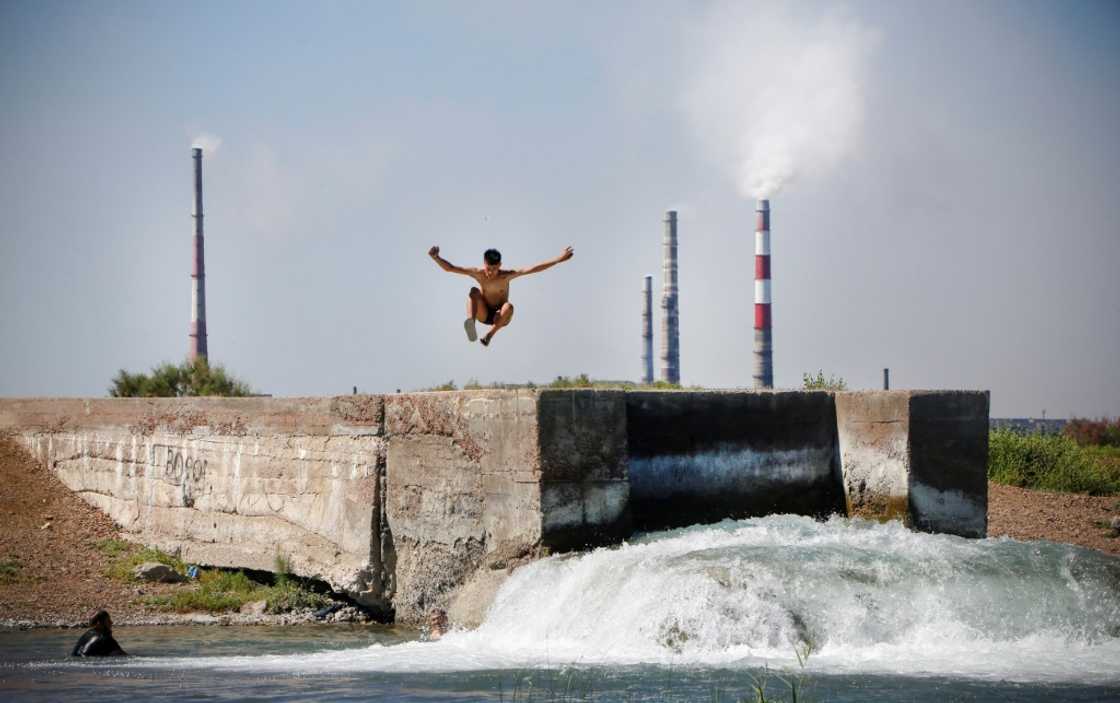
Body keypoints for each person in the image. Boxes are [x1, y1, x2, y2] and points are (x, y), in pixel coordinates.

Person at [428, 245, 575, 347]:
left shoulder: (506, 276)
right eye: (488, 268)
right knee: (473, 291)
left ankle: (489, 335)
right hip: (484, 314)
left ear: (500, 265)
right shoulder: (478, 273)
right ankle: (471, 323)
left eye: (494, 268)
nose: (491, 272)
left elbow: (534, 268)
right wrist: (436, 258)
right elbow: (451, 268)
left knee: (508, 306)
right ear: (484, 263)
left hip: (500, 317)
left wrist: (558, 259)